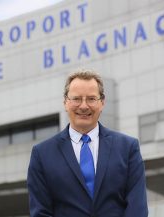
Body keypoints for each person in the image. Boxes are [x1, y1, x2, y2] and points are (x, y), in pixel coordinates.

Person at [27, 69, 148, 217]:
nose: (83, 106)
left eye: (91, 99)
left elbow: (137, 209)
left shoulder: (128, 148)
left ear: (102, 102)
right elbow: (41, 212)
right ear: (65, 102)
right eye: (76, 99)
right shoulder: (42, 154)